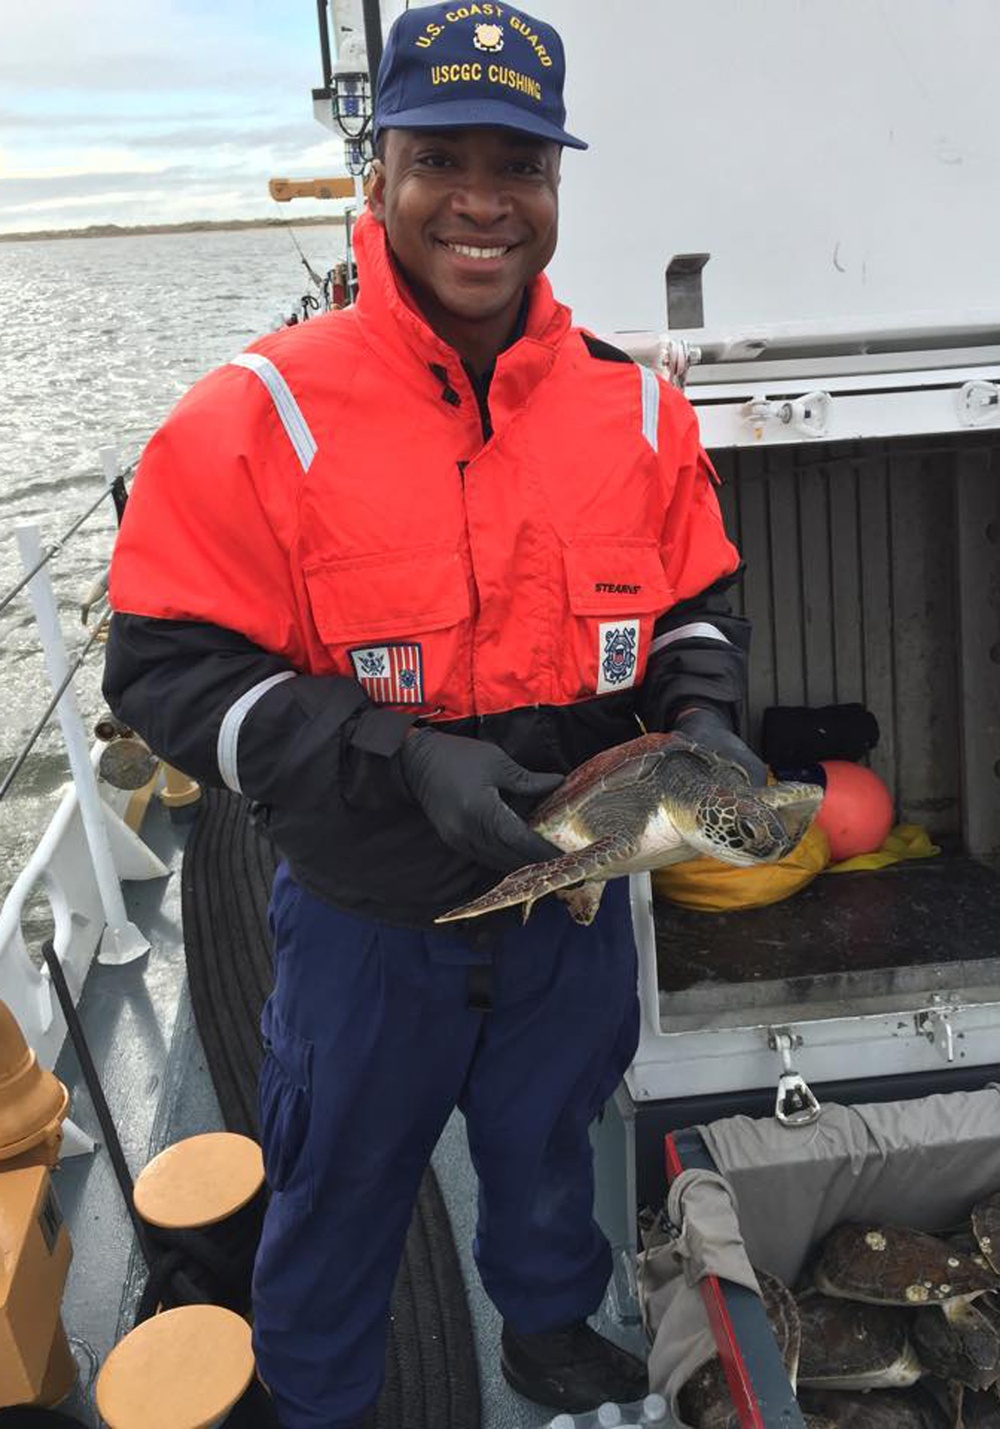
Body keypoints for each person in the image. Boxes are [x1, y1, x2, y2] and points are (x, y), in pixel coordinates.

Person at [104, 4, 764, 1425]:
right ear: (380, 173)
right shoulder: (253, 414)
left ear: (556, 188)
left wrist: (704, 717)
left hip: (571, 923)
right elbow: (160, 669)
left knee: (545, 1156)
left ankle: (543, 1331)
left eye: (518, 164)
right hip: (367, 927)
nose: (482, 200)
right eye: (440, 158)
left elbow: (697, 604)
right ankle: (324, 1393)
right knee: (339, 1187)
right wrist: (396, 755)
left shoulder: (639, 415)